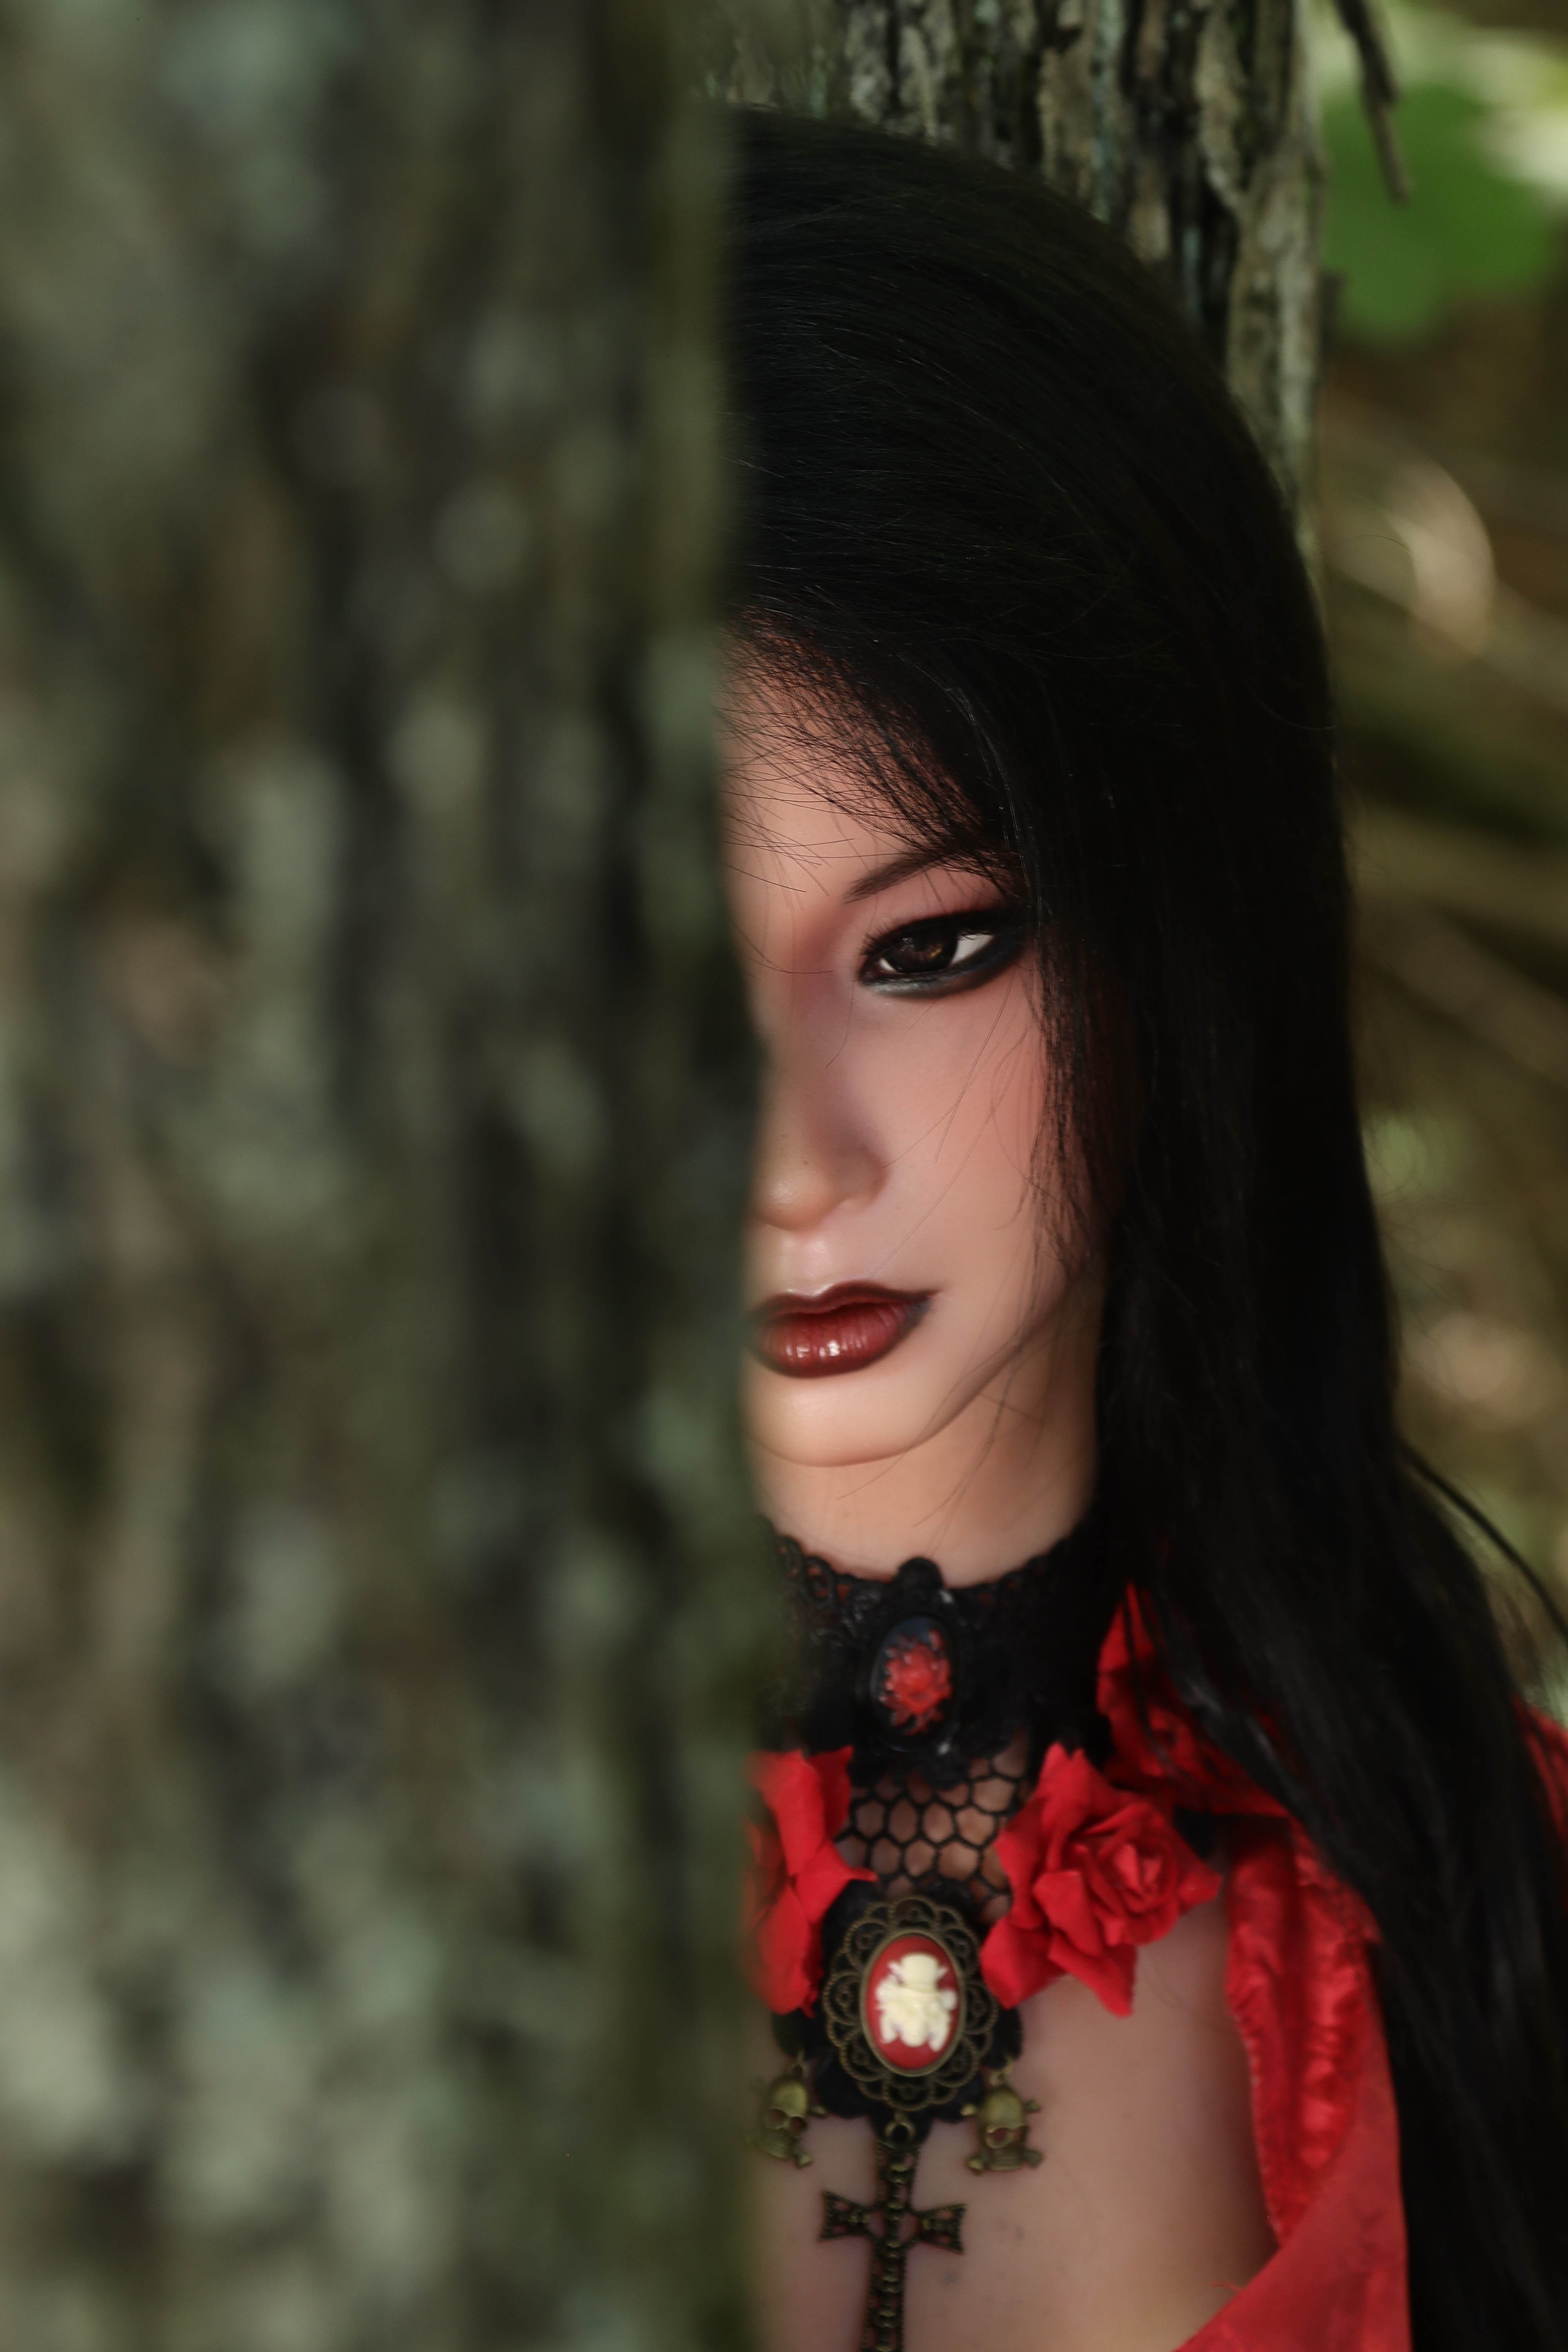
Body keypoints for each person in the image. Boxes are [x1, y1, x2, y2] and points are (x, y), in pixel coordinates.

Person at [720, 107, 1568, 2352]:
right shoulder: (193, 1883)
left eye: (932, 950)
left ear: (1185, 926)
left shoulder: (1495, 1911)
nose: (791, 1165)